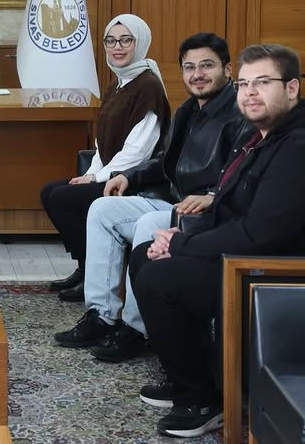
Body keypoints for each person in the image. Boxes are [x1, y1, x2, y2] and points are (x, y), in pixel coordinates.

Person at [129, 44, 305, 439]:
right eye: (244, 84)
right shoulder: (265, 136)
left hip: (287, 274)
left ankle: (202, 399)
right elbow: (235, 212)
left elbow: (261, 234)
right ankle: (194, 376)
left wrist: (181, 246)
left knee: (159, 278)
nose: (250, 93)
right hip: (253, 259)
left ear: (292, 88)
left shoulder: (304, 147)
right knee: (144, 256)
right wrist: (181, 236)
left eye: (262, 83)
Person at [54, 32, 247, 363]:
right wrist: (128, 176)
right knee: (102, 209)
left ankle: (137, 328)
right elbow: (164, 160)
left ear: (228, 70)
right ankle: (102, 315)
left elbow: (243, 168)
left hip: (209, 210)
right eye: (189, 67)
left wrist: (213, 195)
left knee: (148, 224)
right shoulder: (188, 110)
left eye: (207, 65)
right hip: (173, 201)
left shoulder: (241, 113)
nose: (197, 74)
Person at [42, 14, 171, 303]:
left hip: (133, 181)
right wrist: (91, 173)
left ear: (140, 43)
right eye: (111, 41)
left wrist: (97, 178)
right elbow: (103, 143)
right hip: (110, 174)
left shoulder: (148, 86)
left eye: (126, 40)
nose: (117, 47)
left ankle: (92, 273)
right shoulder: (119, 83)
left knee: (63, 198)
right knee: (49, 191)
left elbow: (138, 151)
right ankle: (85, 267)